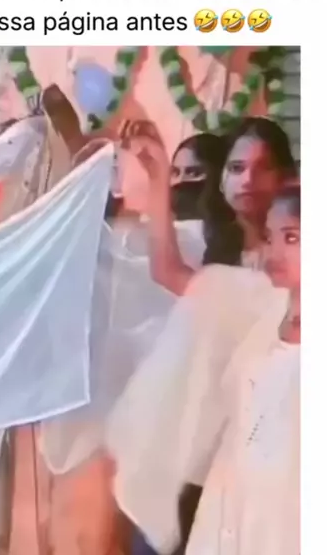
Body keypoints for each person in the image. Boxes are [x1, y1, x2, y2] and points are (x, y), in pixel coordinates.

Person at [106, 184, 300, 555]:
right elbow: (171, 273)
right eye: (270, 237)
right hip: (232, 505)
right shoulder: (259, 302)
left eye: (292, 237)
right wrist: (158, 179)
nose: (275, 251)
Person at [137, 117, 297, 295]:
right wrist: (157, 173)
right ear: (221, 181)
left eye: (263, 167)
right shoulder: (210, 241)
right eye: (236, 168)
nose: (248, 180)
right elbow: (169, 273)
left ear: (286, 178)